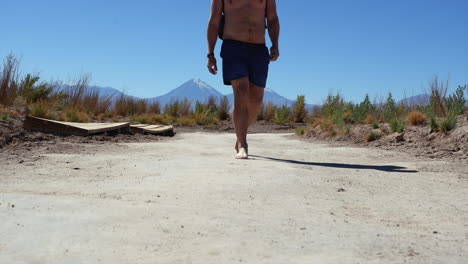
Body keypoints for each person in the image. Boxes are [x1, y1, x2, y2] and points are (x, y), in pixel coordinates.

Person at [206, 0, 280, 159]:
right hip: (233, 47)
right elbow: (214, 20)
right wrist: (210, 54)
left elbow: (272, 18)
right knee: (241, 92)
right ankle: (243, 144)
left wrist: (275, 44)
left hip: (259, 48)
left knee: (256, 100)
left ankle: (239, 135)